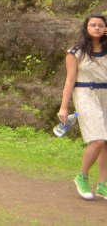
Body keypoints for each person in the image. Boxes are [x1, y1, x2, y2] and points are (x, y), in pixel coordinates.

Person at [58, 14, 107, 200]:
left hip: (105, 94)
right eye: (93, 25)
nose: (97, 28)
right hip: (86, 93)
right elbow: (70, 80)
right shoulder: (76, 52)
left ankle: (103, 184)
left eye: (101, 25)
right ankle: (82, 176)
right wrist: (64, 107)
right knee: (97, 140)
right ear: (86, 27)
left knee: (106, 142)